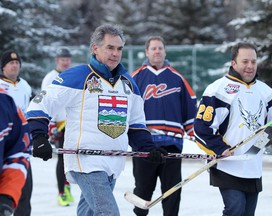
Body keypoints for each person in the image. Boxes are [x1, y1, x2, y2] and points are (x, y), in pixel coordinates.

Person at [26, 24, 166, 216]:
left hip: (112, 164)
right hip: (86, 162)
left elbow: (135, 124)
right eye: (110, 47)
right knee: (108, 213)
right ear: (95, 48)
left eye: (119, 48)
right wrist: (39, 137)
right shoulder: (76, 76)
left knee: (89, 213)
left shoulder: (129, 84)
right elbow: (39, 104)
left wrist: (148, 149)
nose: (115, 53)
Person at [194, 42, 272, 216]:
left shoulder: (265, 92)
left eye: (253, 62)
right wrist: (220, 148)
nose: (250, 66)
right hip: (227, 165)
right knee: (234, 210)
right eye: (245, 61)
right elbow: (201, 128)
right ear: (233, 63)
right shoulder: (217, 90)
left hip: (253, 165)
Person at [131, 36, 198, 216]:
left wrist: (200, 139)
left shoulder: (177, 78)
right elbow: (126, 111)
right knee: (142, 190)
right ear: (147, 52)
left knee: (172, 191)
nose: (157, 51)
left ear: (165, 51)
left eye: (160, 48)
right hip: (145, 145)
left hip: (172, 145)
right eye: (153, 48)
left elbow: (190, 109)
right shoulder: (135, 78)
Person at [0, 50, 33, 216]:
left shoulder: (25, 86)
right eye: (11, 63)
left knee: (25, 193)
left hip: (20, 143)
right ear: (3, 67)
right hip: (4, 141)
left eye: (17, 63)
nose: (15, 65)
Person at [41, 47, 74, 206]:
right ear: (57, 61)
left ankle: (67, 187)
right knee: (62, 159)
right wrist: (50, 124)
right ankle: (61, 192)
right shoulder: (50, 77)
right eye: (62, 59)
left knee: (71, 159)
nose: (65, 62)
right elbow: (45, 102)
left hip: (72, 124)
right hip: (59, 125)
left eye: (67, 59)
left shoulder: (72, 75)